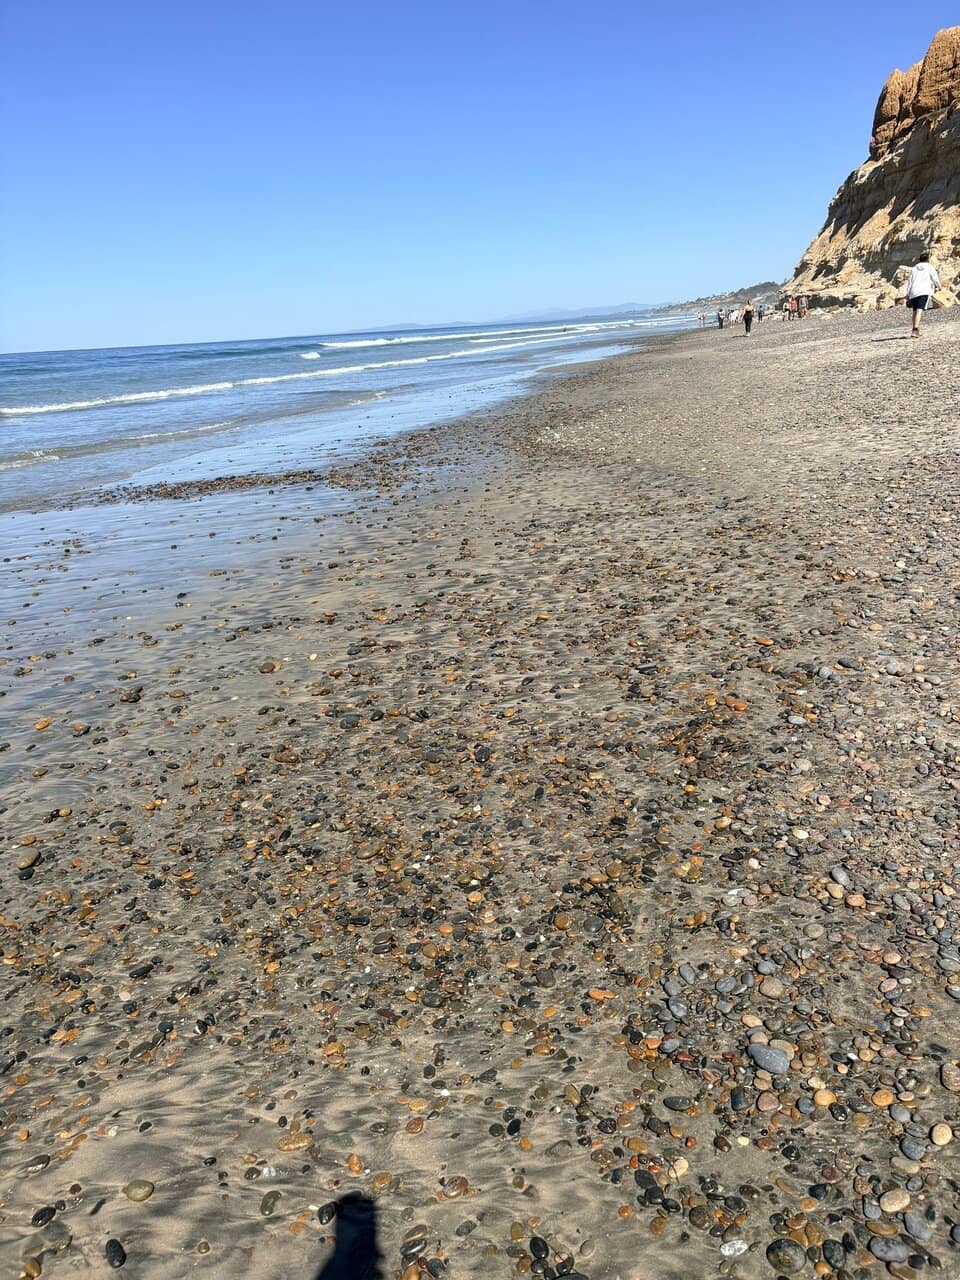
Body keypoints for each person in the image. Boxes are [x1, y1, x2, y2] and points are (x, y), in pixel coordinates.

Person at [906, 252, 941, 337]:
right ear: (928, 260)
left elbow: (910, 282)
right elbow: (935, 278)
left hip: (913, 292)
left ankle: (914, 329)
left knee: (915, 311)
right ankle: (915, 330)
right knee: (919, 310)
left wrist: (907, 294)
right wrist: (939, 286)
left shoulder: (914, 268)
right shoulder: (929, 267)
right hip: (923, 291)